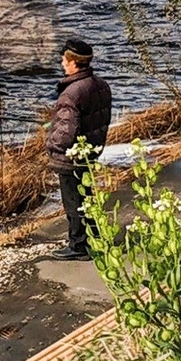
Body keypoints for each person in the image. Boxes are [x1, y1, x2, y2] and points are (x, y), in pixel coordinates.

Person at [47, 37, 112, 260]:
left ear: (73, 62)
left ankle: (78, 246)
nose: (62, 63)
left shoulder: (71, 93)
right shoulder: (101, 84)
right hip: (91, 151)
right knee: (86, 196)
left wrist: (51, 143)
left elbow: (66, 132)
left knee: (73, 200)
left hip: (71, 156)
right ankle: (94, 237)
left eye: (65, 59)